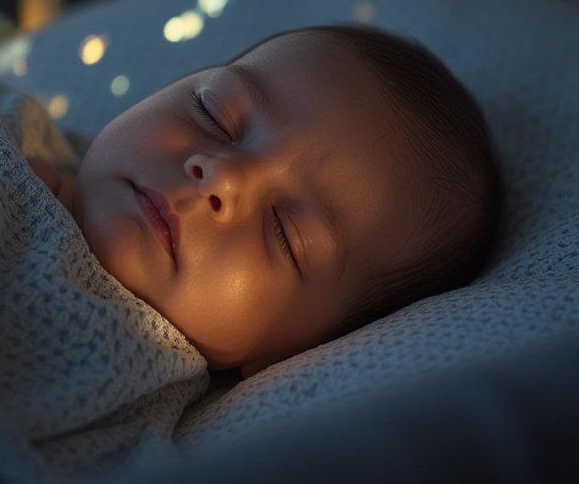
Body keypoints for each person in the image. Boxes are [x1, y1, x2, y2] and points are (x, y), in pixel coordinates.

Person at [28, 24, 501, 378]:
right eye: (214, 114)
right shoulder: (1, 128)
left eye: (285, 232)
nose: (223, 178)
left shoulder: (123, 410)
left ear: (290, 356)